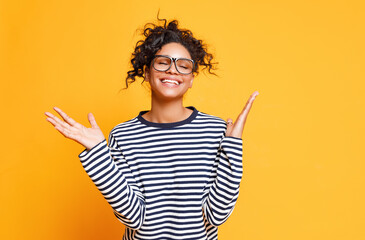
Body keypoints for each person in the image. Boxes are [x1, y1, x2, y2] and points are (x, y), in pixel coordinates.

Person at [44, 17, 259, 240]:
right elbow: (134, 218)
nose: (173, 70)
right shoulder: (123, 136)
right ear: (146, 72)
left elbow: (217, 215)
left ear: (191, 79)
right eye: (163, 62)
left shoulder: (214, 130)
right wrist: (99, 154)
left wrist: (233, 147)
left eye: (183, 66)